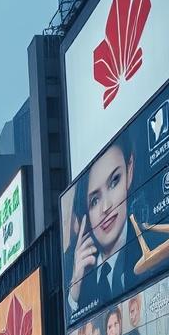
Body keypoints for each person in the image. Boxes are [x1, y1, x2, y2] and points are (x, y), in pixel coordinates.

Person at [66, 134, 138, 318]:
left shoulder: (151, 243)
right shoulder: (75, 269)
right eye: (95, 200)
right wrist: (75, 287)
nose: (106, 207)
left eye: (114, 182)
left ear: (129, 171)